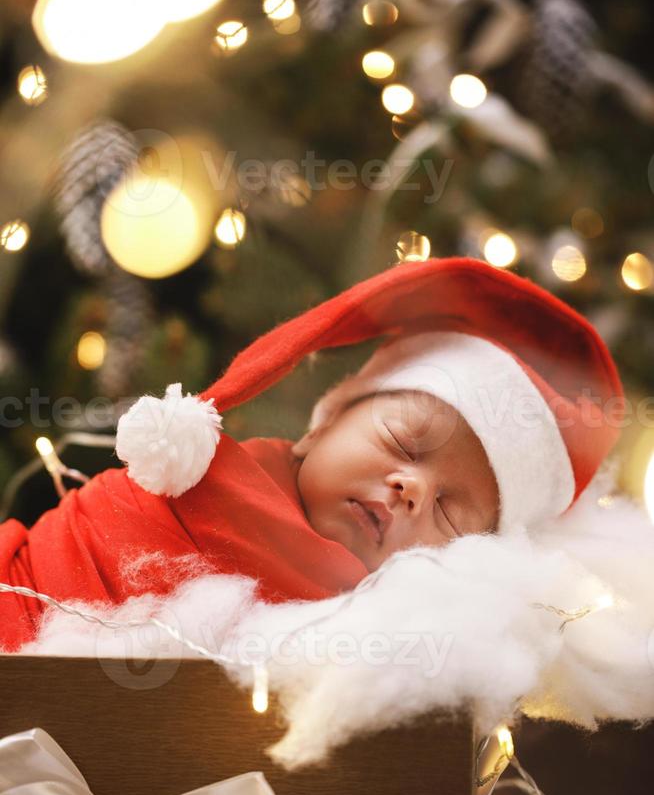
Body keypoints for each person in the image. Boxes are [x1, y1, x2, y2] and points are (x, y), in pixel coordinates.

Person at [0, 256, 624, 651]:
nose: (412, 488)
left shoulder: (378, 635)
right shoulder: (187, 478)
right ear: (319, 427)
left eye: (452, 515)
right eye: (403, 443)